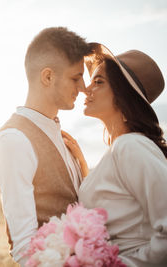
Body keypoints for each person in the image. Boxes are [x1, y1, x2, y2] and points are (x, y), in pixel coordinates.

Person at [0, 27, 91, 265]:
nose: (83, 87)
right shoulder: (14, 140)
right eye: (76, 77)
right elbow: (24, 248)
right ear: (47, 77)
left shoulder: (62, 136)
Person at [63, 43, 167, 266]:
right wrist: (81, 165)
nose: (86, 88)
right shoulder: (121, 149)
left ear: (123, 96)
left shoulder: (131, 146)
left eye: (98, 82)